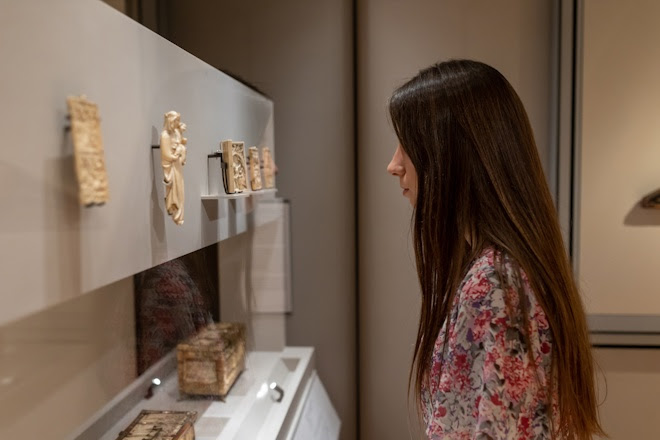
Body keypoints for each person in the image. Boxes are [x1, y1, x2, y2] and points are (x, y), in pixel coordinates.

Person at [386, 60, 605, 440]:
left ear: (451, 154)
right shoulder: (503, 269)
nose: (394, 164)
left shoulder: (494, 284)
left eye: (409, 144)